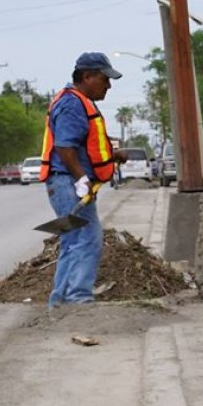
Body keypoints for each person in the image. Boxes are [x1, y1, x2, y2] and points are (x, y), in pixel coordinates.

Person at [38, 52, 129, 308]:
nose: (108, 86)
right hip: (68, 182)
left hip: (67, 182)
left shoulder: (79, 102)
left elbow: (84, 144)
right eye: (104, 79)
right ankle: (77, 299)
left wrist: (113, 155)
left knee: (73, 240)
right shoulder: (72, 104)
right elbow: (65, 147)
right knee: (86, 238)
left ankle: (62, 300)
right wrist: (81, 179)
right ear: (87, 77)